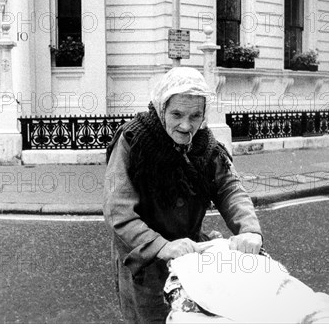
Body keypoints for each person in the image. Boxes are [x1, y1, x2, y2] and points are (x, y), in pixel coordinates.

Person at [103, 67, 262, 323]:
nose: (186, 125)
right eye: (177, 114)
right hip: (145, 261)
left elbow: (230, 188)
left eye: (195, 115)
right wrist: (163, 246)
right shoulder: (132, 140)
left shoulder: (206, 144)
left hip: (189, 257)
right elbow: (118, 211)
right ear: (161, 108)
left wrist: (249, 229)